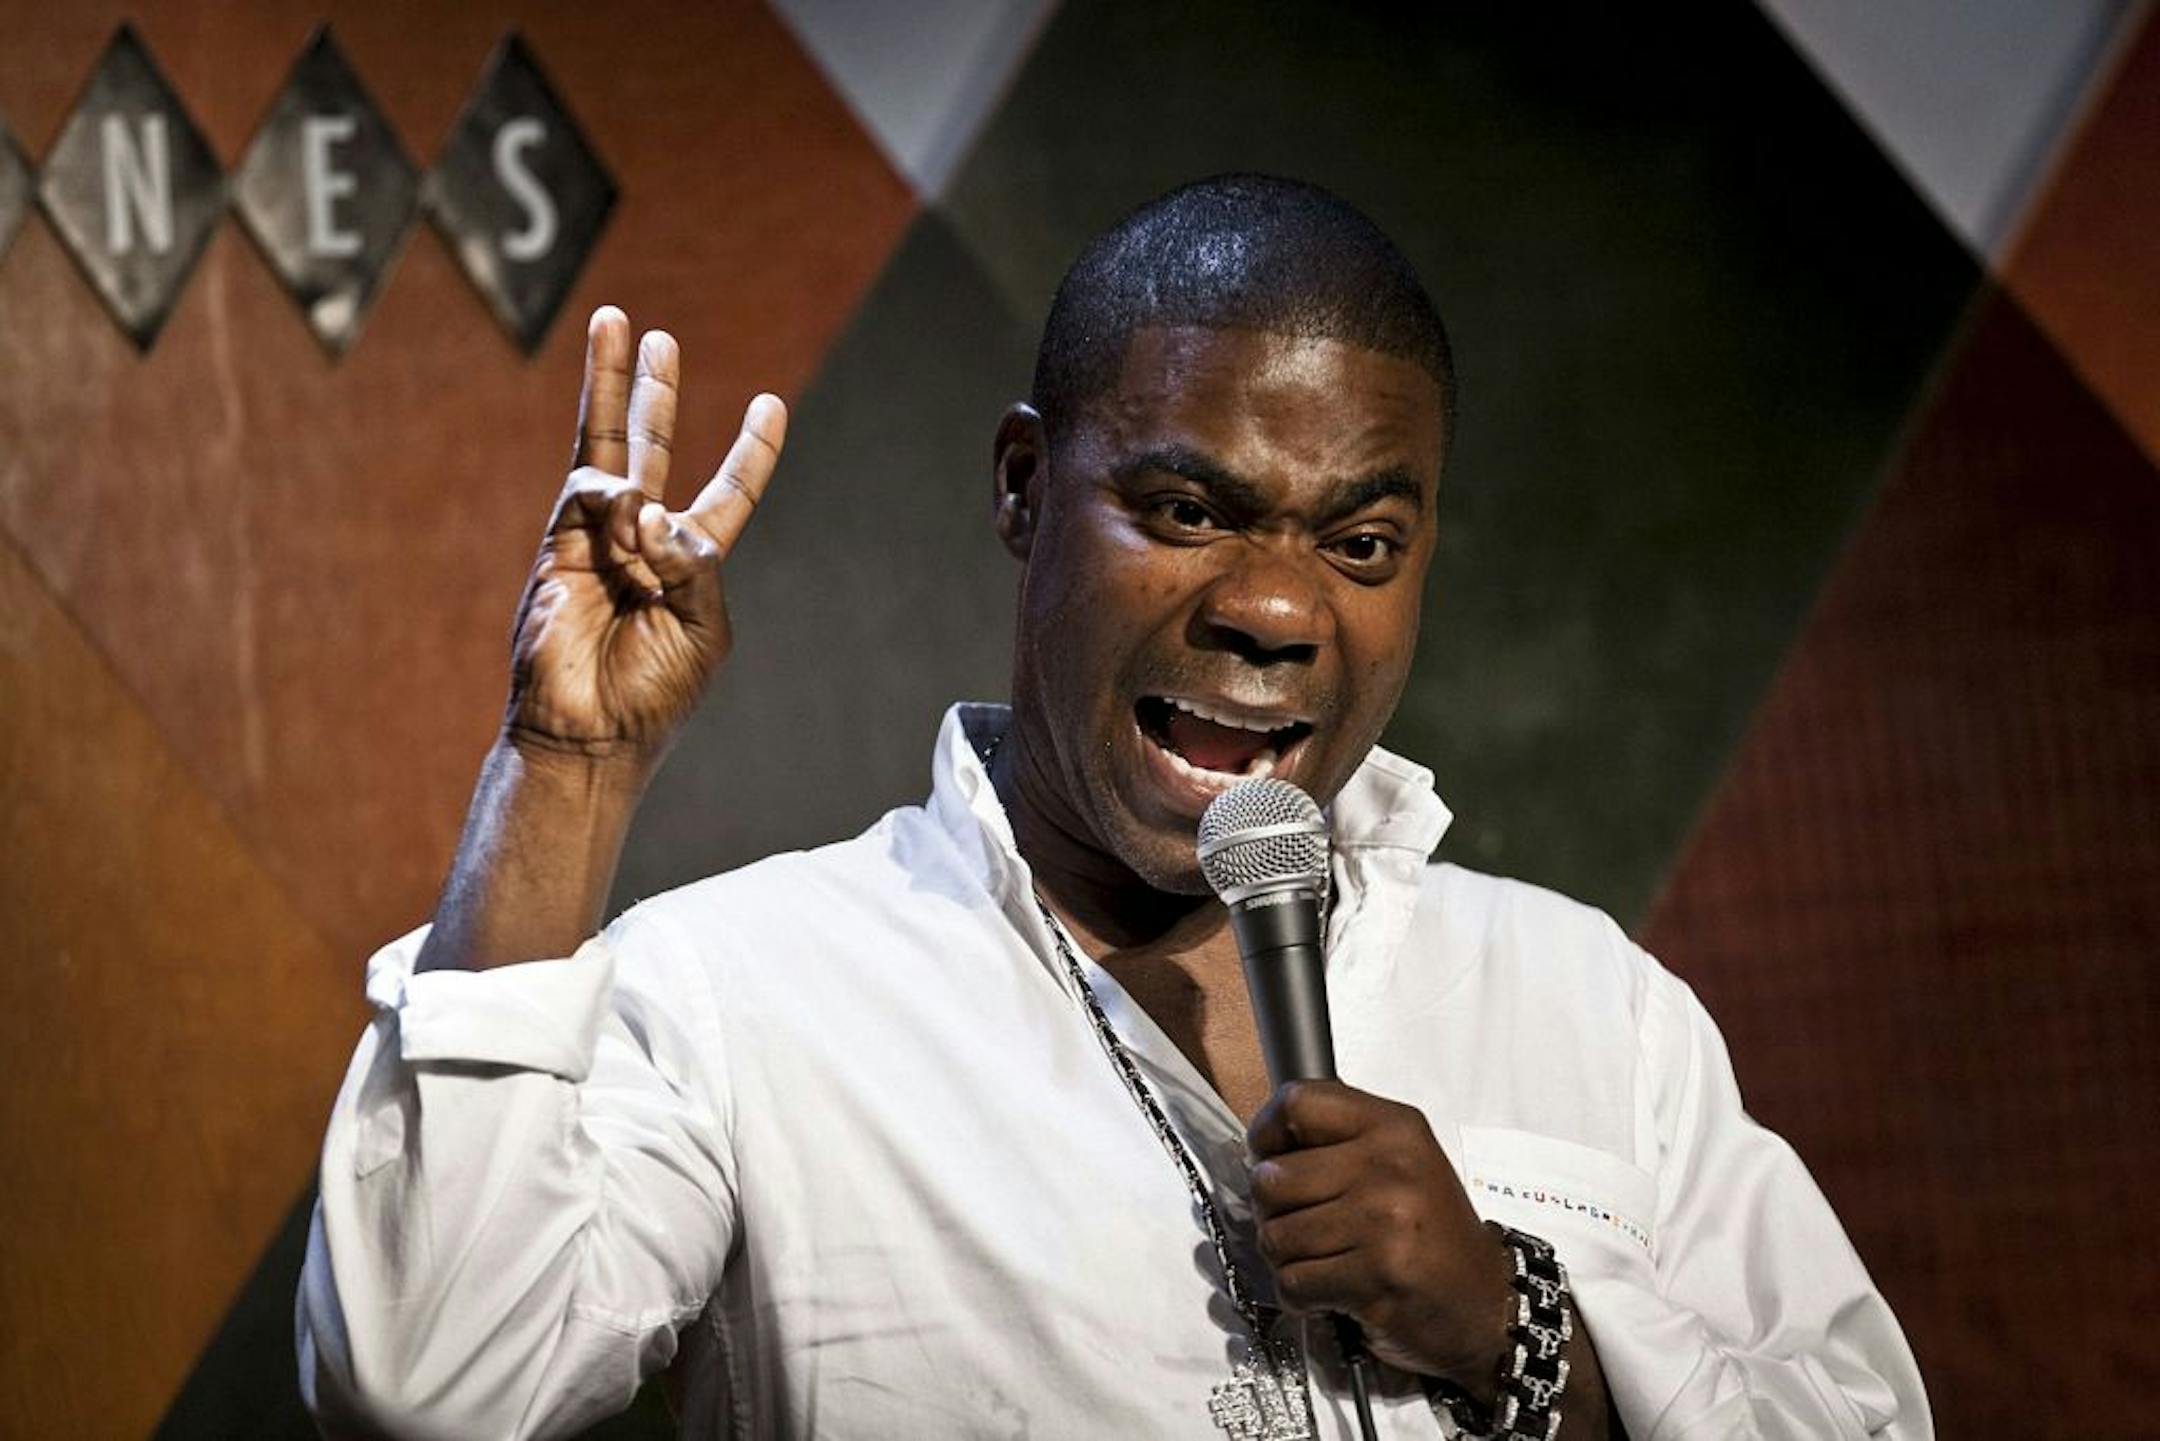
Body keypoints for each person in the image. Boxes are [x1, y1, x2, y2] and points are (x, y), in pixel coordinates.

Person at [297, 176, 1929, 1440]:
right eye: (1189, 509)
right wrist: (564, 769)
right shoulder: (746, 998)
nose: (1278, 610)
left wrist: (1521, 1327)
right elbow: (433, 1385)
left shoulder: (1595, 1007)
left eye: (1360, 543)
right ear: (1025, 487)